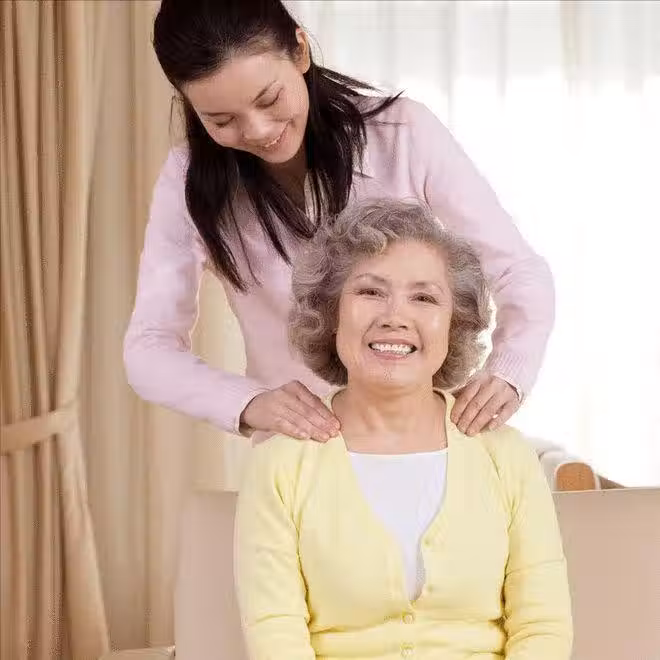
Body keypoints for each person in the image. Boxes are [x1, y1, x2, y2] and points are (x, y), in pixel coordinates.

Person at [124, 0, 555, 443]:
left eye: (269, 99)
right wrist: (250, 402)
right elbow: (149, 347)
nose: (257, 130)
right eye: (221, 120)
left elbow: (518, 271)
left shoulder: (402, 135)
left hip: (418, 441)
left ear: (300, 51)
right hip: (301, 454)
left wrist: (509, 371)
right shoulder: (187, 180)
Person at [234, 198, 572, 660]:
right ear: (331, 314)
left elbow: (543, 628)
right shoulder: (280, 465)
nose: (395, 316)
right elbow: (276, 636)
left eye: (424, 298)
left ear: (455, 324)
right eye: (370, 292)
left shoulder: (504, 455)